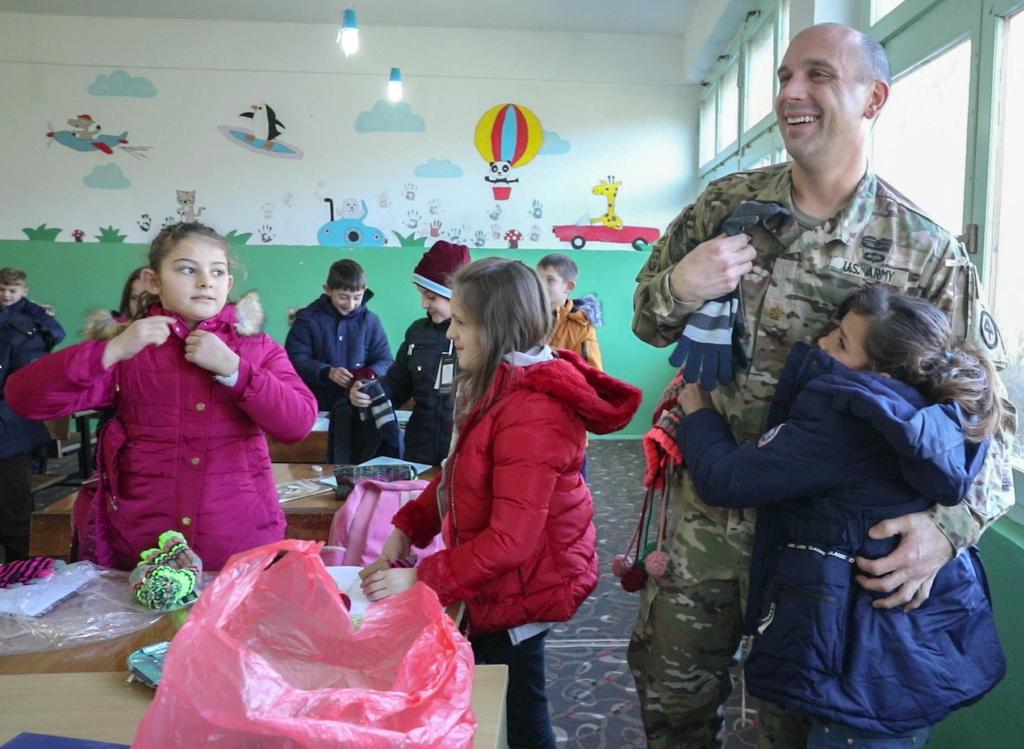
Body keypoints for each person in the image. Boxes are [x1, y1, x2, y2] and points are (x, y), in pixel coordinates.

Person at [629, 23, 1016, 748]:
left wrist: (948, 530)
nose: (790, 94)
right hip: (707, 534)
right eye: (781, 77)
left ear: (874, 98)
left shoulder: (924, 251)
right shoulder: (725, 206)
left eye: (816, 75)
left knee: (796, 731)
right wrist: (681, 284)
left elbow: (997, 414)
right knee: (672, 710)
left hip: (827, 562)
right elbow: (648, 322)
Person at [675, 285, 1006, 747]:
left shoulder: (847, 413)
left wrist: (699, 416)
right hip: (913, 653)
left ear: (883, 374)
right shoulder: (946, 413)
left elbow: (728, 479)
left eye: (841, 344)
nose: (821, 344)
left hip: (855, 660)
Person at [359, 257, 642, 748]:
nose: (450, 333)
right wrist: (409, 527)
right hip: (500, 581)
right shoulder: (501, 383)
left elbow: (511, 542)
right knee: (496, 698)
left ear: (498, 328)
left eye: (462, 323)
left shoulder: (534, 410)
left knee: (517, 710)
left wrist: (422, 579)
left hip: (524, 587)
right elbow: (462, 473)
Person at [6, 222, 317, 571]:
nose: (205, 282)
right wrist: (110, 351)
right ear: (153, 281)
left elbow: (299, 423)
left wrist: (236, 370)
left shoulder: (257, 348)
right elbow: (24, 398)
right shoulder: (131, 347)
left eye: (217, 272)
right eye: (187, 269)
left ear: (228, 283)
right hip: (143, 545)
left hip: (237, 543)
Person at [348, 240, 471, 466]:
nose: (423, 303)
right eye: (422, 294)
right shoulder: (417, 332)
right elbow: (396, 385)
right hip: (417, 455)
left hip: (462, 455)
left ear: (457, 295)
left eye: (432, 297)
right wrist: (367, 391)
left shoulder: (478, 337)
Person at [285, 259, 393, 412]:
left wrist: (368, 376)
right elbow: (294, 359)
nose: (350, 304)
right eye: (343, 297)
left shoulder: (371, 321)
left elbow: (385, 360)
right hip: (316, 406)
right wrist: (326, 371)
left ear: (365, 290)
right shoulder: (308, 319)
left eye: (357, 297)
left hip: (360, 406)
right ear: (328, 289)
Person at [0, 301, 53, 562]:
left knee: (14, 524)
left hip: (7, 439)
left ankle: (17, 584)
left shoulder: (21, 333)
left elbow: (22, 394)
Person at [536, 253, 603, 369]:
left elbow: (593, 374)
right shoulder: (524, 315)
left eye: (550, 280)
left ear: (568, 287)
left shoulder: (582, 325)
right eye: (537, 279)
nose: (540, 285)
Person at [0, 267, 65, 351]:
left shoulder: (33, 310)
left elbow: (57, 333)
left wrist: (32, 343)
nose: (6, 295)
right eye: (1, 289)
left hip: (22, 355)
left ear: (25, 292)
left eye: (12, 291)